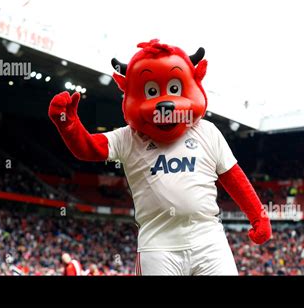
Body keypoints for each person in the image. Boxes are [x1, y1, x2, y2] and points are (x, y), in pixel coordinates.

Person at [49, 39, 271, 275]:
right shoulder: (128, 137)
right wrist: (68, 124)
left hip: (209, 241)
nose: (164, 104)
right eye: (151, 92)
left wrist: (259, 216)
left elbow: (232, 176)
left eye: (174, 89)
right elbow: (89, 149)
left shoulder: (207, 131)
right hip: (158, 246)